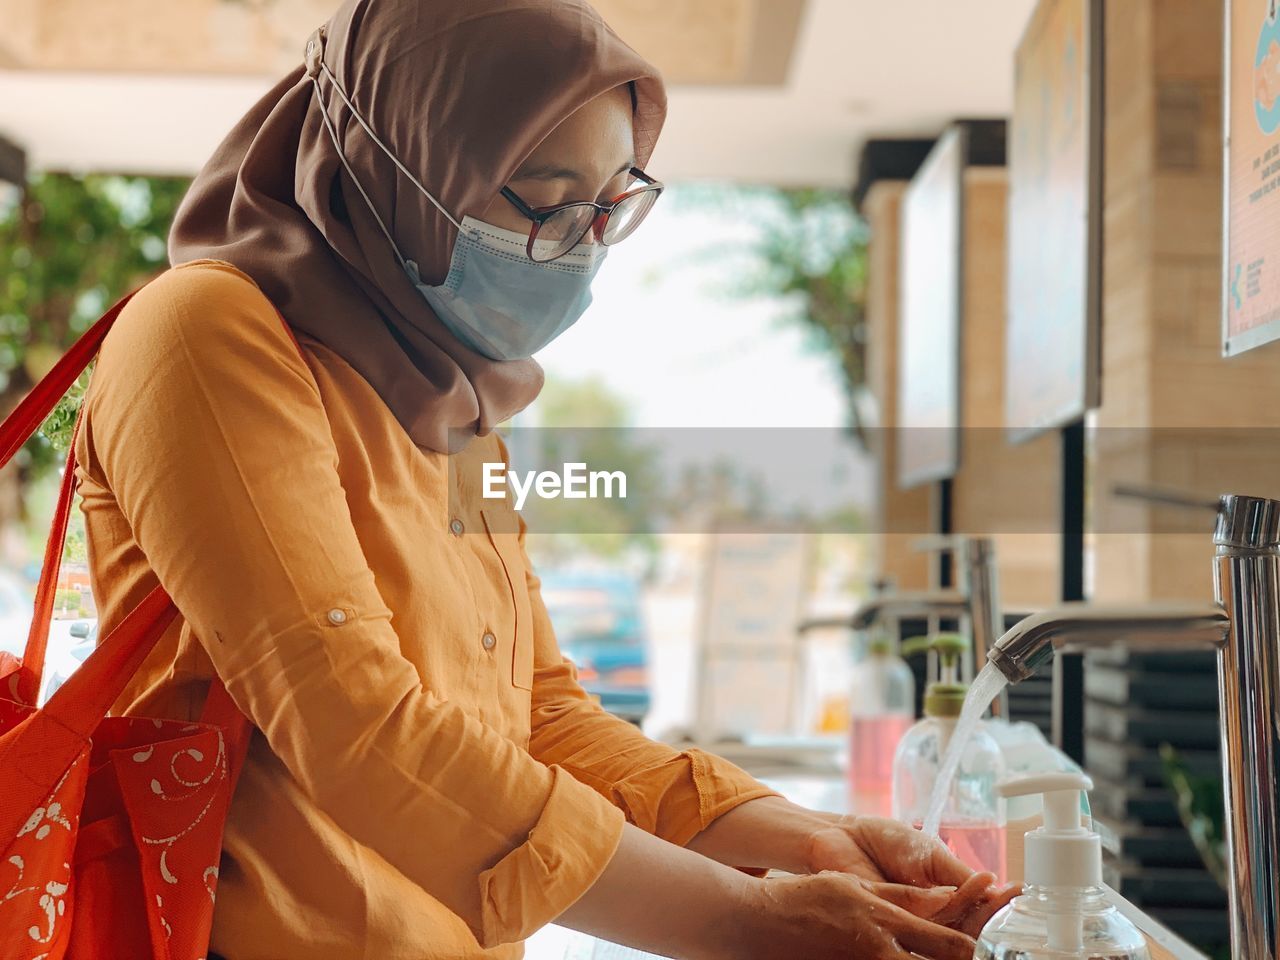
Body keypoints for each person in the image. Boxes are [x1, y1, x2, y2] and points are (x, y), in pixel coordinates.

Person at [73, 0, 1018, 956]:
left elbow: (541, 714)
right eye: (546, 197)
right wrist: (743, 921)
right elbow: (354, 728)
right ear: (396, 168)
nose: (583, 245)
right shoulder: (206, 336)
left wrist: (800, 838)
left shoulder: (454, 410)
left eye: (611, 203)